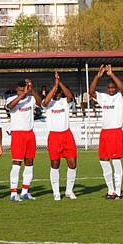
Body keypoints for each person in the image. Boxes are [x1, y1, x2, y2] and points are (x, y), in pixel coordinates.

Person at [89, 64, 123, 199]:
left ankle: (118, 190)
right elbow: (91, 92)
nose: (111, 89)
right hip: (105, 132)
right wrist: (97, 77)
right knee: (103, 160)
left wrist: (111, 74)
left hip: (115, 132)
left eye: (113, 87)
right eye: (109, 87)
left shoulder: (120, 97)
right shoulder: (103, 97)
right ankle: (110, 190)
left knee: (116, 161)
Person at [42, 72, 78, 201]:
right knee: (55, 164)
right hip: (54, 137)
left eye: (58, 91)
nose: (57, 93)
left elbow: (70, 96)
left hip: (67, 135)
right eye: (55, 91)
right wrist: (54, 86)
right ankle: (56, 192)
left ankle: (69, 190)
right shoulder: (47, 104)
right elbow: (45, 102)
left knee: (72, 163)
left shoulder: (64, 102)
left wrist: (59, 82)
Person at [6, 78, 42, 201]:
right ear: (17, 90)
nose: (22, 92)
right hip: (18, 134)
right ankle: (13, 193)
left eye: (24, 90)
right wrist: (23, 95)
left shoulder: (30, 99)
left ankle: (25, 191)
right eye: (21, 90)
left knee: (30, 163)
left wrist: (32, 90)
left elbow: (40, 102)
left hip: (29, 134)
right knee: (17, 163)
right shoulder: (11, 99)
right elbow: (10, 107)